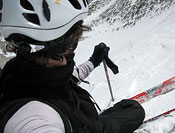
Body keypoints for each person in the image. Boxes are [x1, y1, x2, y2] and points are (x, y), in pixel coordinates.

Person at [0, 0, 145, 133]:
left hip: (85, 123)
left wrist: (93, 61)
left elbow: (71, 78)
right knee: (134, 112)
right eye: (68, 45)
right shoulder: (31, 116)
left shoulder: (28, 72)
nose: (70, 53)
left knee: (133, 108)